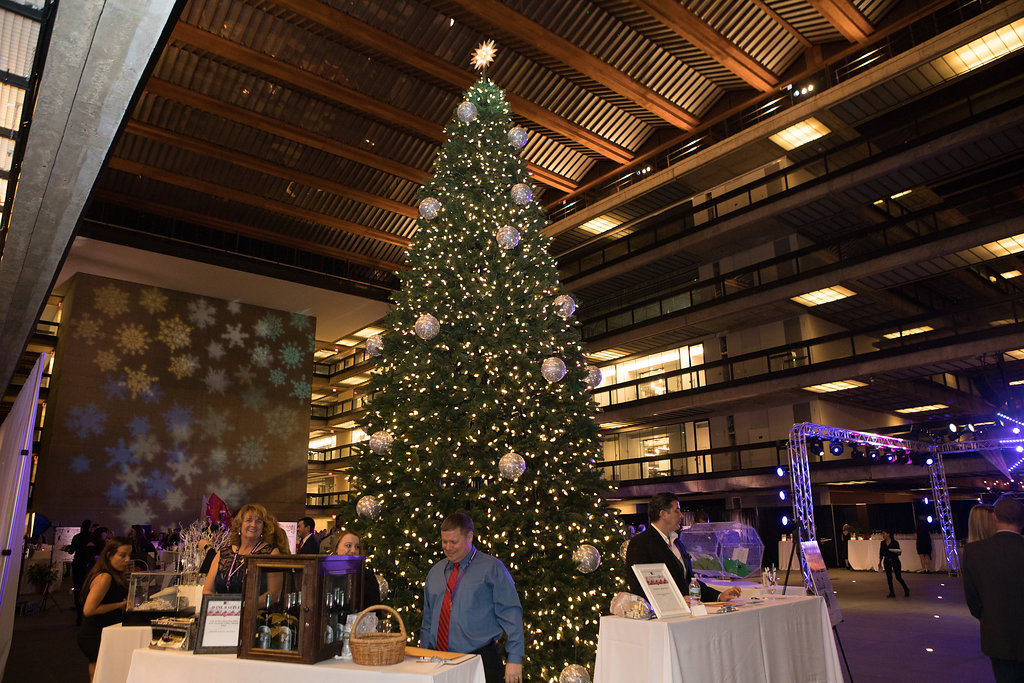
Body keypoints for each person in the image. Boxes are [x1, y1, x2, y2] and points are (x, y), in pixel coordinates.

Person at [420, 513, 524, 683]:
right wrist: (423, 654)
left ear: (469, 537)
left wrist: (515, 658)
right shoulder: (435, 572)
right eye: (444, 542)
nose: (448, 547)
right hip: (438, 661)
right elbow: (428, 621)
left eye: (454, 542)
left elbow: (511, 615)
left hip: (481, 661)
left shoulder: (492, 568)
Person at [625, 492, 742, 603]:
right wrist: (677, 601)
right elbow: (639, 588)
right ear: (663, 514)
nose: (681, 515)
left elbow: (689, 582)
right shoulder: (640, 543)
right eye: (677, 511)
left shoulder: (677, 543)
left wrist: (719, 596)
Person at [963, 494, 1024, 682]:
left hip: (998, 637)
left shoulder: (974, 552)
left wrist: (992, 619)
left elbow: (973, 601)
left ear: (995, 518)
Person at [77, 537, 131, 681]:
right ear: (109, 555)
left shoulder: (110, 574)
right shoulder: (105, 577)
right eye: (122, 555)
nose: (127, 560)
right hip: (95, 632)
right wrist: (120, 605)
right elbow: (89, 610)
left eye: (128, 555)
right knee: (98, 673)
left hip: (101, 630)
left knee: (99, 672)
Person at [203, 503, 280, 595]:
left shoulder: (271, 553)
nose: (253, 525)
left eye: (259, 521)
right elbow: (207, 590)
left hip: (256, 604)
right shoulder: (223, 553)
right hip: (222, 604)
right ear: (239, 525)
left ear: (263, 527)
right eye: (249, 520)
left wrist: (243, 604)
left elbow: (274, 593)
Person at [333, 529, 381, 609]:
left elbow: (375, 609)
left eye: (357, 547)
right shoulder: (326, 575)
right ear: (336, 549)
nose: (353, 551)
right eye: (348, 545)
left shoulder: (367, 576)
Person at [70, 519, 92, 625]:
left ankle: (79, 614)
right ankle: (87, 611)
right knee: (88, 588)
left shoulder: (76, 537)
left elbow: (71, 551)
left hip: (77, 564)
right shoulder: (91, 537)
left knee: (77, 588)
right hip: (87, 565)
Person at [877, 530, 909, 598]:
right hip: (887, 561)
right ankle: (892, 592)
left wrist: (897, 552)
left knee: (898, 577)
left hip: (895, 560)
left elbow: (899, 552)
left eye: (884, 534)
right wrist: (880, 562)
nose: (883, 535)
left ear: (888, 534)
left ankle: (906, 589)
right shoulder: (882, 543)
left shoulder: (895, 542)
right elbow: (881, 553)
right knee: (889, 577)